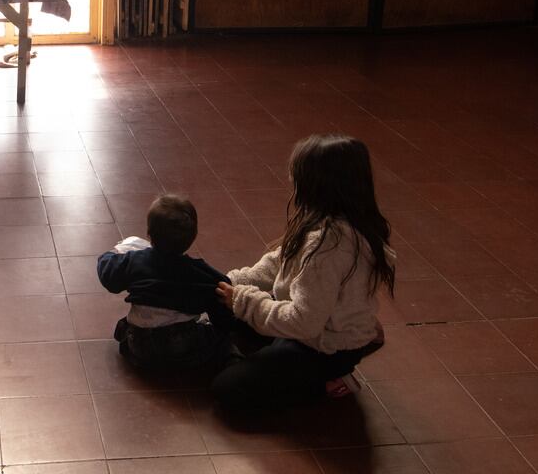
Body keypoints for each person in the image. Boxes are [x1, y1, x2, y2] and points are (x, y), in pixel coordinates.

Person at [212, 134, 394, 413]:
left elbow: (302, 322)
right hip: (313, 326)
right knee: (222, 314)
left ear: (317, 186)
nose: (292, 184)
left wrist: (244, 301)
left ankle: (329, 380)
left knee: (228, 389)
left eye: (297, 178)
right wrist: (231, 281)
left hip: (325, 347)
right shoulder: (327, 221)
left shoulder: (329, 246)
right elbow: (278, 263)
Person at [96, 194, 234, 371]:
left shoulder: (135, 261)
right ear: (193, 236)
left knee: (126, 330)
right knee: (220, 338)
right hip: (185, 345)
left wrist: (112, 253)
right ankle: (231, 359)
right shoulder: (204, 275)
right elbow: (222, 310)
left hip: (139, 345)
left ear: (149, 233)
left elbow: (109, 277)